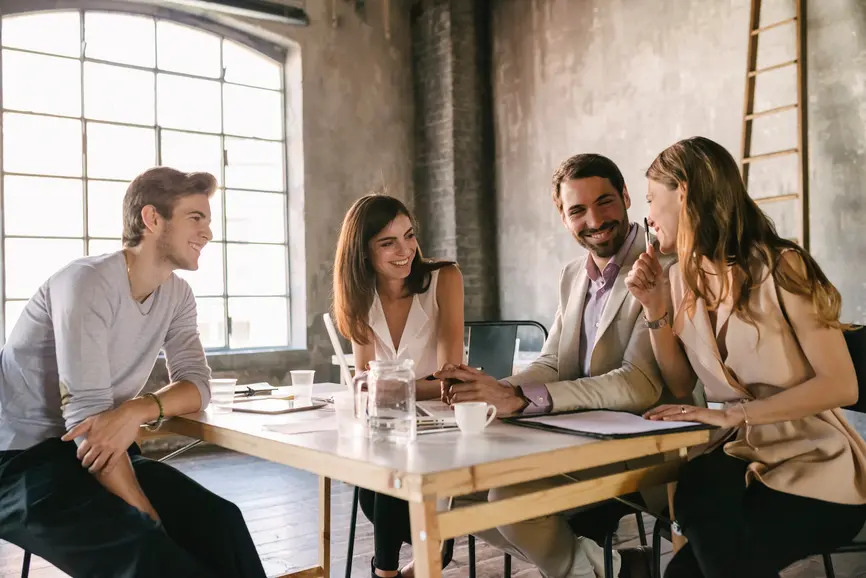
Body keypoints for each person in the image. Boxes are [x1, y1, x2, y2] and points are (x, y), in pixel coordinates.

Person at [0, 167, 267, 578]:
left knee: (220, 522)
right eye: (196, 217)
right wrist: (148, 516)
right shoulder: (86, 282)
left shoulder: (177, 294)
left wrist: (136, 411)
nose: (208, 232)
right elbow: (90, 424)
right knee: (147, 548)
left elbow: (198, 384)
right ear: (152, 219)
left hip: (98, 447)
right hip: (20, 461)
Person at [625, 136, 866, 578]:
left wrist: (740, 414)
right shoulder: (680, 280)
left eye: (650, 200)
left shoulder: (781, 266)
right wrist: (654, 309)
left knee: (687, 567)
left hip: (816, 464)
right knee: (698, 486)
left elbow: (841, 384)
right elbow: (681, 384)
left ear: (683, 192)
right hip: (743, 457)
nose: (647, 217)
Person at [439, 153, 682, 578]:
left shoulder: (665, 265)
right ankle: (622, 571)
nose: (595, 219)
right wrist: (491, 390)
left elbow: (640, 383)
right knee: (456, 493)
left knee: (509, 499)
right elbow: (553, 361)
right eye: (577, 210)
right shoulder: (573, 274)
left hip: (650, 444)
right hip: (577, 435)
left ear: (626, 197)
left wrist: (518, 398)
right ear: (563, 216)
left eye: (604, 201)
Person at [332, 193, 465, 578]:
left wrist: (387, 385)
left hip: (440, 427)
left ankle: (388, 571)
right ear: (363, 252)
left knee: (387, 476)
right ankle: (411, 563)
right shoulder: (359, 296)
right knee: (379, 484)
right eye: (388, 242)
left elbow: (449, 375)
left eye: (409, 235)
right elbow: (364, 382)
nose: (405, 250)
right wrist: (388, 387)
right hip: (388, 430)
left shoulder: (444, 278)